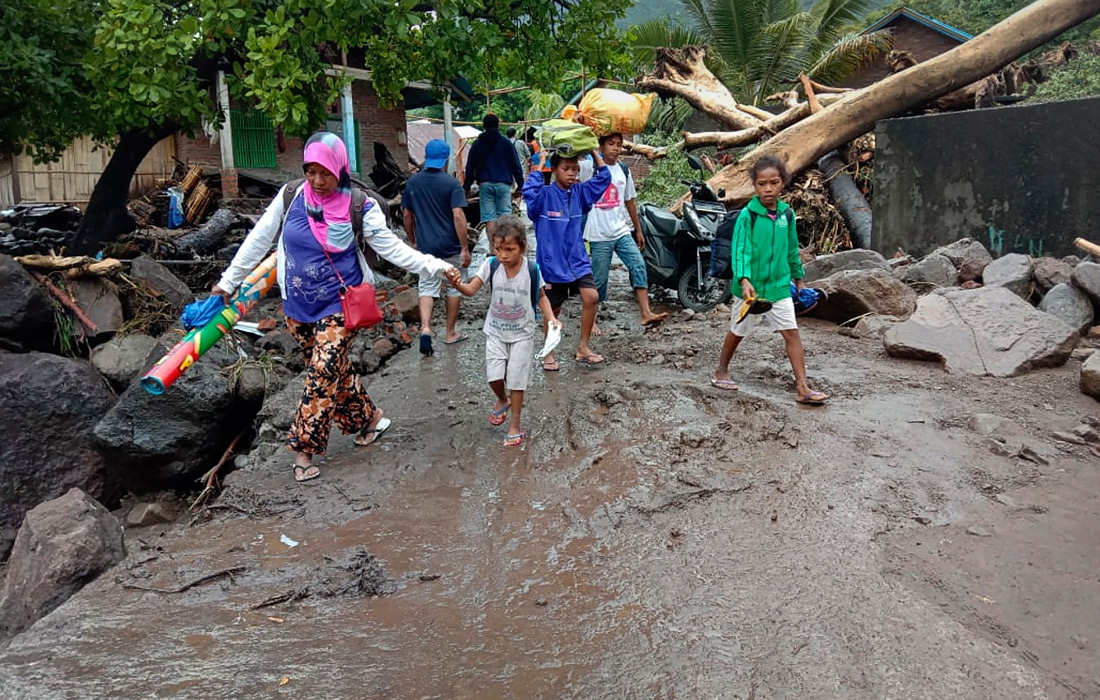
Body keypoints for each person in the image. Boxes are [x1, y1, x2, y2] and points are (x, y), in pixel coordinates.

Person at [213, 132, 457, 482]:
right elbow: (259, 240)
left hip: (340, 305)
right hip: (296, 307)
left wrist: (434, 266)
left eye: (325, 172)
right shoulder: (291, 195)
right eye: (311, 171)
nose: (317, 180)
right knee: (335, 371)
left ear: (339, 168)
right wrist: (227, 282)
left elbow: (393, 249)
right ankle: (369, 420)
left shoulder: (360, 205)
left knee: (323, 371)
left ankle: (303, 449)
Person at [711, 154, 829, 406]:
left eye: (773, 183)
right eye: (762, 184)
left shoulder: (786, 215)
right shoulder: (748, 215)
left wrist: (799, 278)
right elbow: (740, 250)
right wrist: (743, 280)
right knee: (738, 330)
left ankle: (802, 387)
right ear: (755, 185)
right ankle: (721, 370)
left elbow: (791, 249)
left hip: (778, 287)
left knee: (792, 334)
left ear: (782, 183)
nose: (768, 189)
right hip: (751, 292)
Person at [447, 216, 561, 448]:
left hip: (522, 334)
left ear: (522, 247)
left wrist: (551, 319)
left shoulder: (531, 269)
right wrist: (457, 283)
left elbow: (541, 298)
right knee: (494, 377)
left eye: (509, 249)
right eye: (498, 249)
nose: (503, 255)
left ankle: (515, 425)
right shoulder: (491, 265)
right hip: (496, 332)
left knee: (517, 382)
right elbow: (470, 290)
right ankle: (502, 399)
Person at [523, 147, 610, 370]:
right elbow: (529, 191)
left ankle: (583, 347)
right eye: (566, 169)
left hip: (578, 259)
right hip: (553, 264)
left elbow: (604, 178)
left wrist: (592, 149)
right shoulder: (544, 196)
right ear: (555, 170)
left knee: (591, 297)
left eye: (575, 169)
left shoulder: (580, 193)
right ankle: (549, 353)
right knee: (554, 310)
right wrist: (541, 163)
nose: (572, 173)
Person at [579, 133, 669, 328]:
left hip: (621, 230)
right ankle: (591, 320)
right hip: (598, 234)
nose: (616, 148)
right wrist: (592, 149)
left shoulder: (623, 170)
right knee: (600, 279)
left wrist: (638, 229)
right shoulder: (588, 169)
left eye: (619, 145)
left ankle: (645, 312)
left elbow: (629, 200)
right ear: (601, 146)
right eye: (611, 144)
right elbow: (573, 157)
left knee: (638, 265)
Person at [403, 139, 471, 355]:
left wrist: (412, 239)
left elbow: (407, 214)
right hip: (450, 246)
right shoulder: (451, 184)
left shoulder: (413, 183)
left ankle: (425, 328)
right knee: (454, 286)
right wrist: (464, 247)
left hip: (426, 248)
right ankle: (450, 333)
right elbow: (458, 215)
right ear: (446, 159)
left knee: (427, 287)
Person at [464, 114, 524, 237]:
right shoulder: (506, 143)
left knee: (489, 218)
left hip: (485, 185)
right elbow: (516, 166)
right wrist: (521, 185)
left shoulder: (477, 144)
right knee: (505, 217)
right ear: (497, 125)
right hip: (503, 184)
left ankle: (493, 248)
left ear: (484, 126)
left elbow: (470, 167)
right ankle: (506, 246)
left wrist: (467, 187)